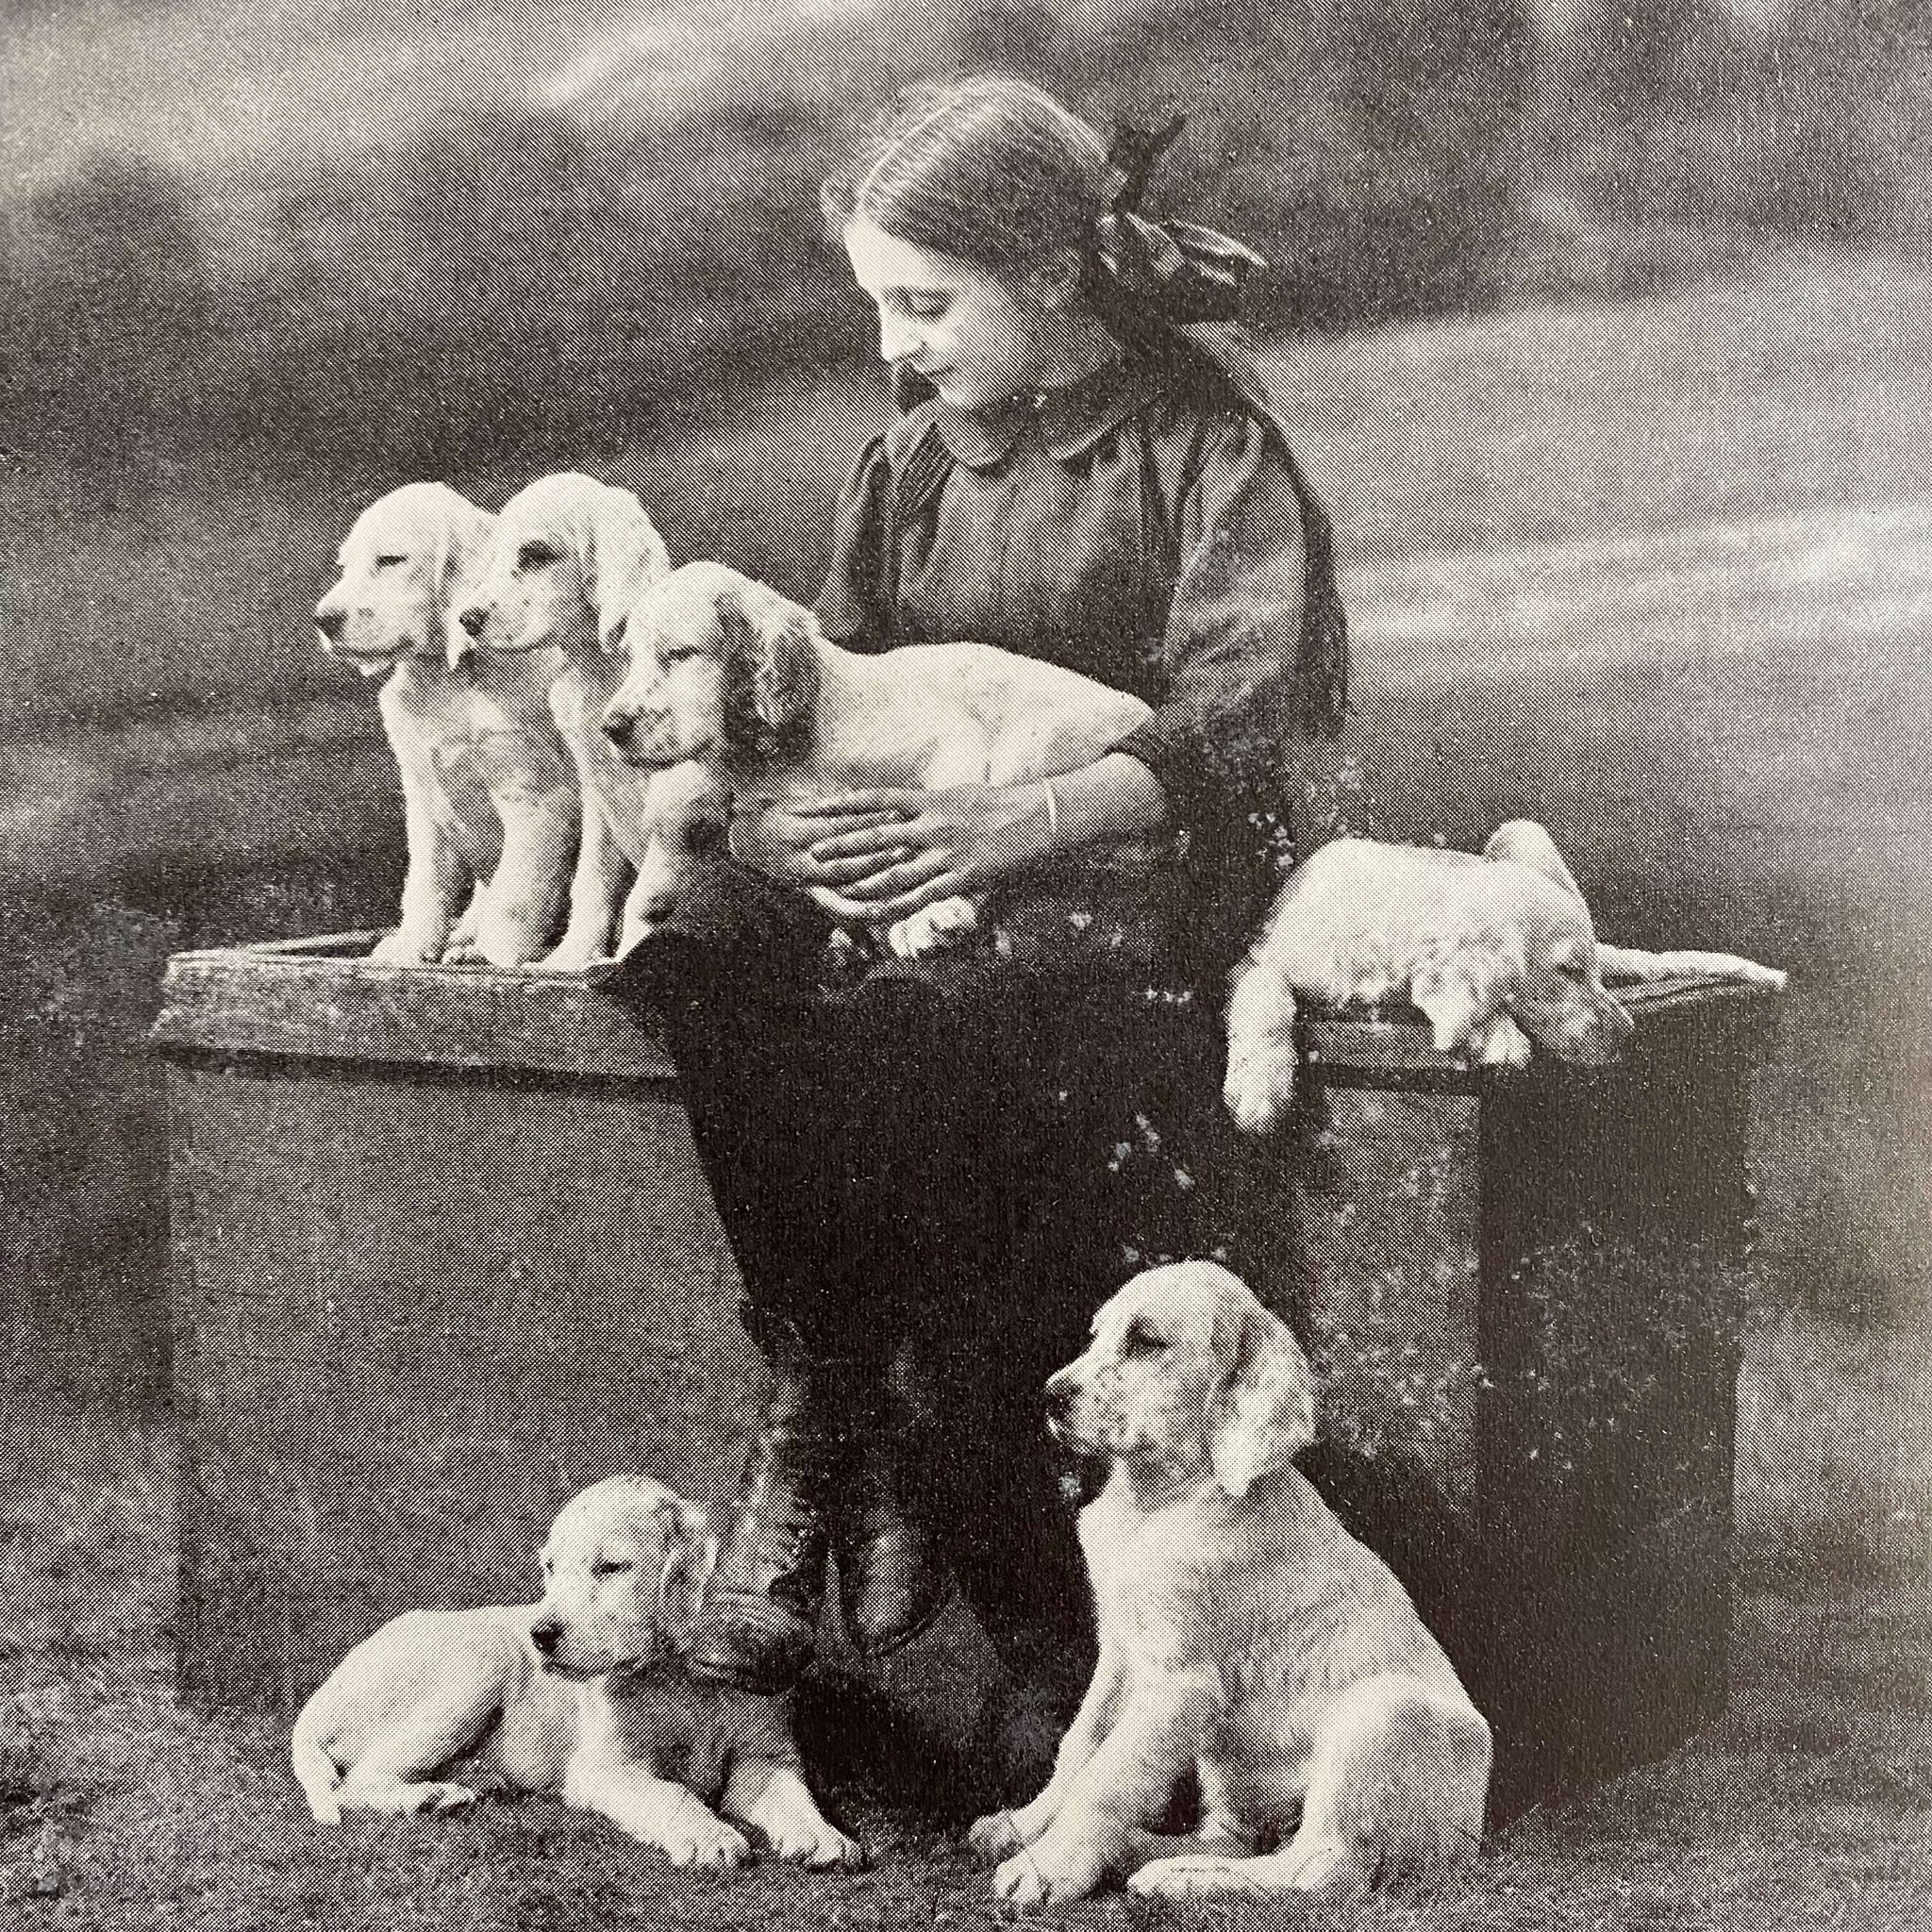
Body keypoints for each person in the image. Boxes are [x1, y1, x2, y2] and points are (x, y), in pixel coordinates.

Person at [600, 75, 1348, 1790]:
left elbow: (1244, 733)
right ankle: (828, 1403)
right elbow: (798, 699)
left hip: (1127, 893)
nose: (896, 345)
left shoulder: (1205, 450)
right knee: (696, 947)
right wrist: (771, 831)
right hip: (909, 865)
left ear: (1056, 277)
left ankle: (955, 1543)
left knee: (907, 1047)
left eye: (925, 304)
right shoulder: (910, 464)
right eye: (880, 305)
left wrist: (1020, 824)